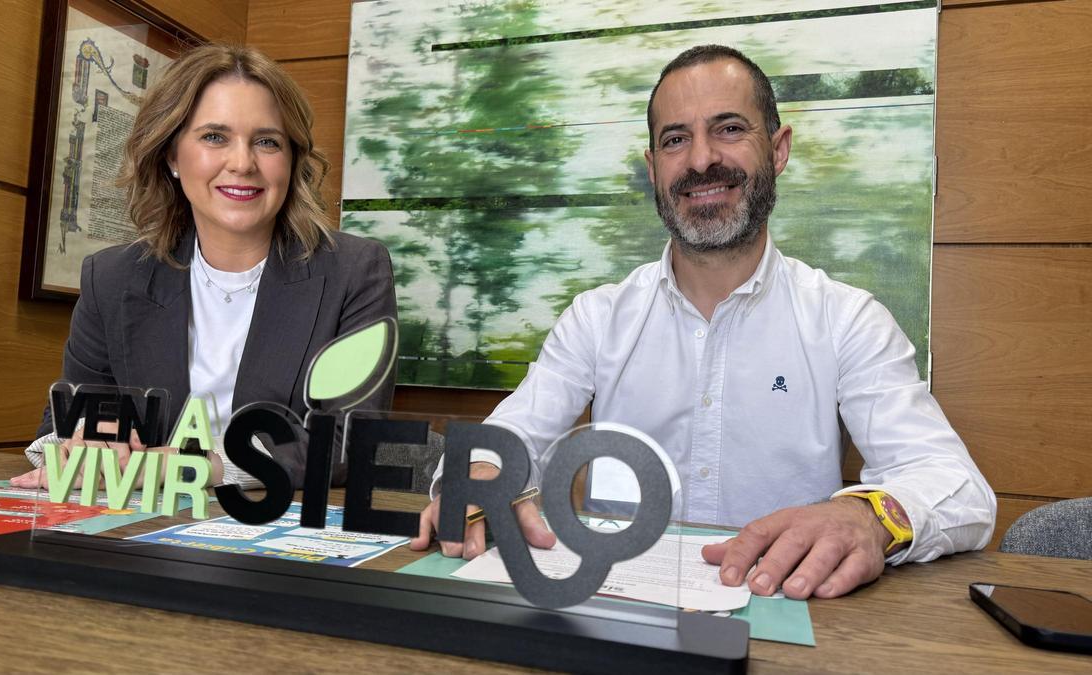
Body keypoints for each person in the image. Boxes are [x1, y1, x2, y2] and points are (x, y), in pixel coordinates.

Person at [411, 45, 995, 601]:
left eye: (730, 129)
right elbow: (504, 440)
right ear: (652, 167)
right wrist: (480, 480)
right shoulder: (597, 317)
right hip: (611, 610)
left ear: (779, 148)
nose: (700, 160)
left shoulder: (847, 320)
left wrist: (868, 516)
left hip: (784, 610)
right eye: (675, 140)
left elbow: (957, 487)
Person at [11, 43, 396, 490]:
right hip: (141, 520)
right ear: (173, 155)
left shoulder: (356, 270)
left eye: (267, 142)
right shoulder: (112, 276)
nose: (242, 163)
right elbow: (66, 421)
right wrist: (82, 443)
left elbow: (350, 440)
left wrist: (197, 466)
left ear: (291, 160)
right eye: (215, 137)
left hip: (276, 522)